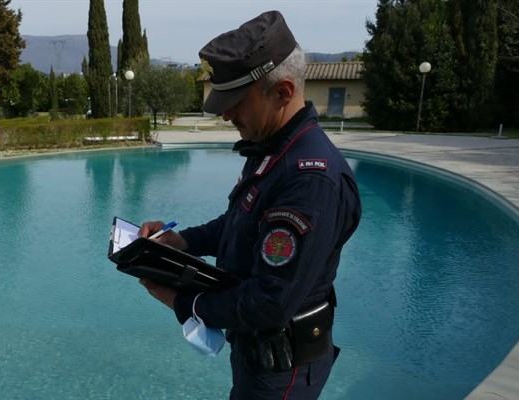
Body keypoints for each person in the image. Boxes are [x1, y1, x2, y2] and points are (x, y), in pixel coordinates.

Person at [137, 10, 362, 400]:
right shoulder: (273, 150)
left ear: (283, 93)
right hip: (260, 356)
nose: (226, 114)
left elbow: (268, 303)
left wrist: (182, 302)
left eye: (236, 101)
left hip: (282, 370)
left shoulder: (309, 180)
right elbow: (239, 222)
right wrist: (182, 242)